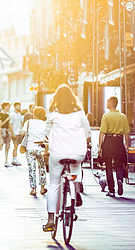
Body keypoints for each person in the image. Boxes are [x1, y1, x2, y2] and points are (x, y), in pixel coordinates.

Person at [42, 84, 90, 232]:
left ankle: (51, 219)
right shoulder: (79, 113)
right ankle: (76, 190)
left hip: (58, 154)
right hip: (77, 154)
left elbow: (46, 132)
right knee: (76, 166)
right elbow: (87, 132)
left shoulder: (52, 113)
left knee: (54, 184)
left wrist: (48, 139)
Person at [99, 96, 130, 197]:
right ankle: (120, 180)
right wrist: (127, 145)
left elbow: (102, 133)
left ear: (111, 103)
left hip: (108, 141)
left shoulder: (106, 116)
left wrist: (100, 146)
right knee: (119, 164)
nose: (106, 103)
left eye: (108, 101)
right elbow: (126, 134)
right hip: (119, 141)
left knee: (108, 166)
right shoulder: (123, 116)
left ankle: (111, 190)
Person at [20, 106, 47, 196]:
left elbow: (22, 133)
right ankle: (42, 188)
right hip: (41, 148)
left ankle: (33, 189)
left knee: (32, 168)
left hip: (30, 148)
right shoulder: (45, 124)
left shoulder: (29, 122)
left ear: (34, 114)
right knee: (42, 168)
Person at [0, 102, 12, 167]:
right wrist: (7, 120)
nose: (9, 108)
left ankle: (6, 161)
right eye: (8, 106)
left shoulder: (8, 115)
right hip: (2, 131)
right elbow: (0, 125)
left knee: (7, 147)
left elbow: (9, 125)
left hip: (7, 132)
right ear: (4, 107)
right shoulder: (0, 115)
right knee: (0, 146)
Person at [9, 102, 23, 166]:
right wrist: (13, 133)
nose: (19, 107)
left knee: (16, 146)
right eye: (18, 106)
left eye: (20, 106)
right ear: (15, 107)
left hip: (19, 133)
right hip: (14, 133)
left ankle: (15, 159)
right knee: (15, 146)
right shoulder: (12, 114)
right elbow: (10, 125)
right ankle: (14, 159)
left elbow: (21, 123)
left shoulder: (19, 114)